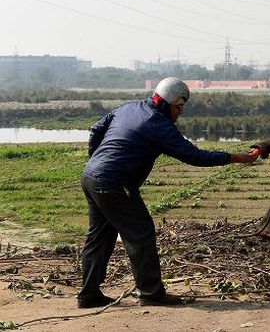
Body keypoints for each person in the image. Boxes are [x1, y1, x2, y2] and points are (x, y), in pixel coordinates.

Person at [77, 77, 259, 308]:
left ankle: (88, 295)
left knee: (99, 237)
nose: (180, 112)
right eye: (178, 106)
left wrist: (96, 161)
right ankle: (151, 293)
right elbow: (194, 156)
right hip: (115, 184)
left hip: (91, 177)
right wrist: (234, 158)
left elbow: (96, 129)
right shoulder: (159, 126)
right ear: (166, 103)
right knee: (140, 233)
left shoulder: (130, 107)